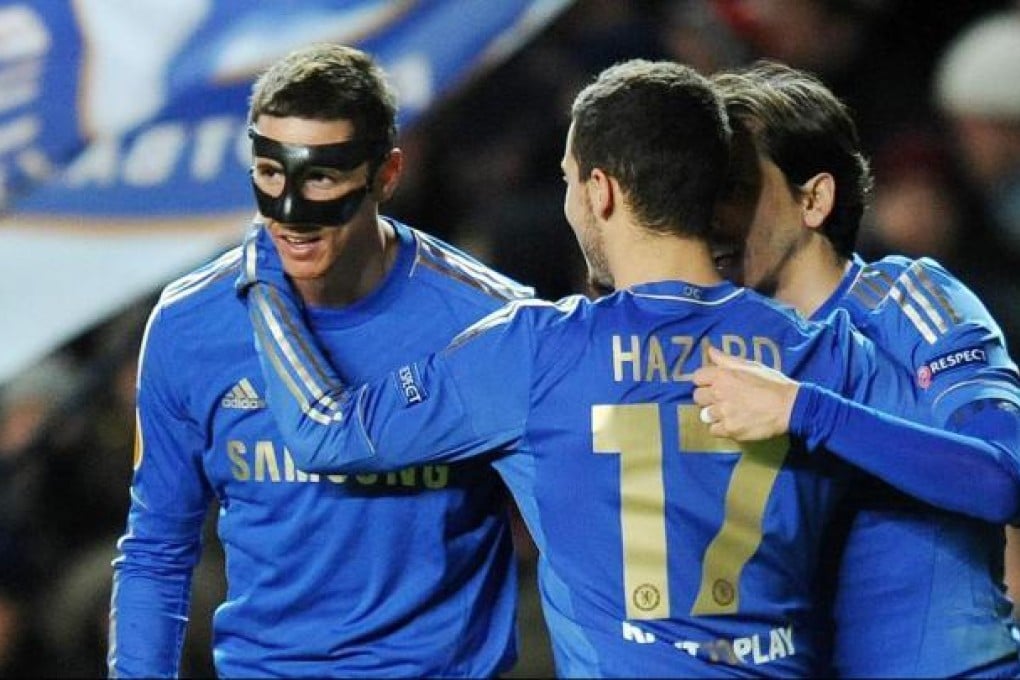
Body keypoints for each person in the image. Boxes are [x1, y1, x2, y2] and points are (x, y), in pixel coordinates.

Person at [236, 58, 930, 677]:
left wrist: (264, 281)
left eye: (567, 180)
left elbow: (326, 431)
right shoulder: (822, 348)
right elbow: (975, 480)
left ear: (601, 191)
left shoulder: (536, 351)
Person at [107, 43, 534, 678]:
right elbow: (156, 549)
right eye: (271, 174)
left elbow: (570, 533)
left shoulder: (491, 322)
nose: (290, 211)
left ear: (386, 174)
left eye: (322, 177)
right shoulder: (188, 325)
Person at [699, 60, 1020, 676]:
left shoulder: (908, 299)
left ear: (814, 199)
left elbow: (1002, 477)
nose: (715, 215)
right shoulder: (715, 351)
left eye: (736, 187)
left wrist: (804, 409)